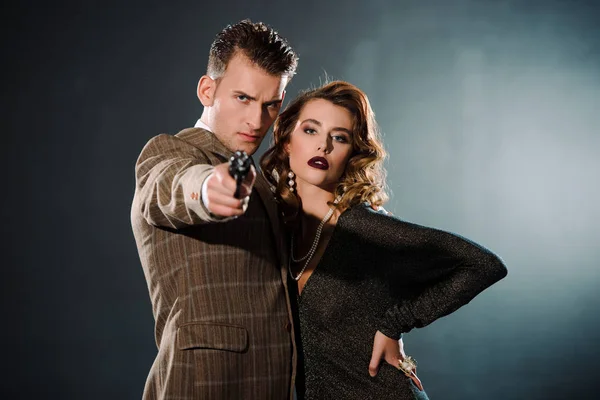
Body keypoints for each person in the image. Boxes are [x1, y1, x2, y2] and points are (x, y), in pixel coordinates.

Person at [260, 80, 508, 399]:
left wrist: (396, 323)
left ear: (352, 154)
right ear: (286, 142)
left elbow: (484, 264)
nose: (323, 146)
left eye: (339, 138)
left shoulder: (362, 226)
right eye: (311, 130)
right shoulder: (282, 230)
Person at [130, 20, 299, 399]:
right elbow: (171, 185)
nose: (257, 121)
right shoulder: (170, 151)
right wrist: (207, 191)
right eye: (243, 98)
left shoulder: (265, 180)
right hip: (203, 386)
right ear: (208, 90)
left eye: (270, 104)